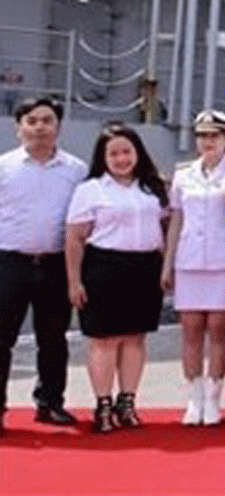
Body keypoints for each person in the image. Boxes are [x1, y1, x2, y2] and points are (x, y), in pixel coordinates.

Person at [64, 124, 170, 433]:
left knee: (135, 338)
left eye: (126, 152)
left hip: (145, 267)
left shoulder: (153, 188)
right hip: (104, 266)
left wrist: (166, 268)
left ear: (137, 153)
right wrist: (74, 281)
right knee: (104, 339)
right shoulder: (91, 190)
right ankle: (103, 405)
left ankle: (128, 402)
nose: (121, 159)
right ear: (102, 157)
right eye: (113, 153)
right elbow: (74, 238)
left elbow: (166, 227)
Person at [0, 96, 88, 433]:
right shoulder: (4, 166)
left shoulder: (76, 170)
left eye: (47, 120)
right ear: (18, 127)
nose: (39, 127)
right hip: (9, 262)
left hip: (54, 264)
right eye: (32, 120)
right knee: (0, 339)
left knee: (53, 339)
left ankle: (50, 403)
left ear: (58, 127)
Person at [162, 110, 225, 426]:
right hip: (191, 260)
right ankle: (193, 398)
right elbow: (176, 220)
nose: (208, 142)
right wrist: (168, 263)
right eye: (203, 136)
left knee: (220, 331)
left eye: (215, 136)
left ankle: (213, 398)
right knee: (191, 331)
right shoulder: (184, 175)